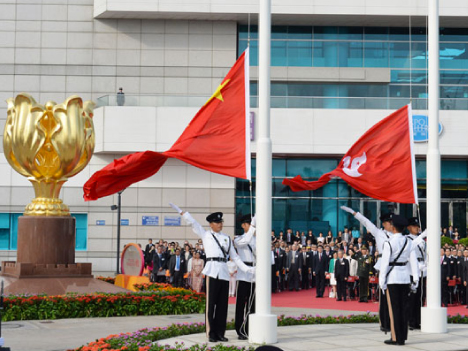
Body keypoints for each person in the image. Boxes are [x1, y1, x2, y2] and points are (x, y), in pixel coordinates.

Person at [169, 203, 255, 343]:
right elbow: (194, 224)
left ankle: (220, 332)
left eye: (221, 222)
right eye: (217, 222)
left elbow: (235, 257)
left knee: (222, 305)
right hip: (212, 270)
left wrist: (247, 269)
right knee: (211, 304)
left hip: (224, 271)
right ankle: (211, 333)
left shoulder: (226, 238)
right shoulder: (206, 235)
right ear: (211, 224)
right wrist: (183, 213)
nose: (220, 224)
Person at [379, 214, 419, 346]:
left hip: (393, 278)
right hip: (405, 277)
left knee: (395, 309)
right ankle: (402, 336)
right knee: (404, 309)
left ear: (394, 227)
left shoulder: (389, 243)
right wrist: (416, 279)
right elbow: (413, 262)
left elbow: (384, 264)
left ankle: (397, 338)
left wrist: (381, 282)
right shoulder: (409, 242)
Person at [234, 214, 256, 340]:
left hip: (255, 273)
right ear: (243, 225)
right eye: (249, 224)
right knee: (241, 304)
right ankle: (239, 329)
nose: (252, 227)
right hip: (243, 274)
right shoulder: (239, 239)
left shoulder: (257, 239)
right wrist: (252, 228)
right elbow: (246, 241)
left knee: (252, 305)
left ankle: (249, 328)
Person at [406, 217, 427, 330]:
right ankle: (411, 320)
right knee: (412, 298)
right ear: (409, 227)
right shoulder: (407, 239)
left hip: (422, 270)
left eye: (418, 226)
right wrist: (421, 236)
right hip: (412, 271)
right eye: (414, 226)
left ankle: (418, 320)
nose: (417, 228)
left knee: (421, 297)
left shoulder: (422, 240)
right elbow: (409, 248)